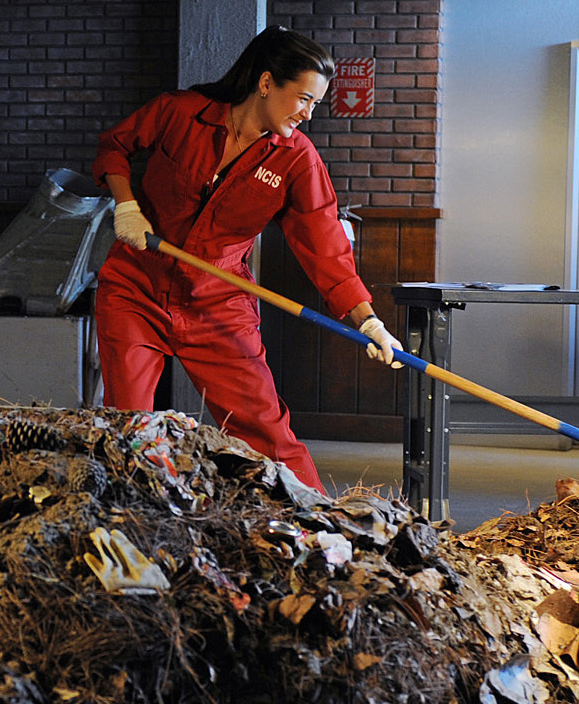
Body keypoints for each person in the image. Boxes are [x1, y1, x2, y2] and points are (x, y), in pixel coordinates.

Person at [92, 25, 402, 492]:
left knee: (266, 432)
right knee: (131, 423)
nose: (308, 114)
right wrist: (126, 204)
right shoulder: (180, 113)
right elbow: (114, 145)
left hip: (218, 303)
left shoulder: (297, 160)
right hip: (136, 289)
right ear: (265, 83)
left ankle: (323, 527)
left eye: (315, 104)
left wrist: (368, 320)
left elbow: (325, 247)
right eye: (302, 99)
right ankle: (142, 517)